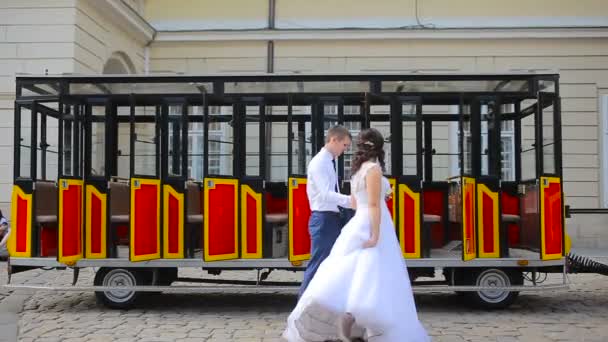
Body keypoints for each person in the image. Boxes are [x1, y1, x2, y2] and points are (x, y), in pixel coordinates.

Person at [283, 128, 430, 342]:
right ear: (380, 148)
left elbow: (359, 200)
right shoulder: (371, 170)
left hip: (356, 221)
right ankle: (355, 320)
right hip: (367, 221)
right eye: (343, 144)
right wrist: (377, 233)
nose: (345, 149)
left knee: (348, 271)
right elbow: (373, 205)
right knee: (374, 273)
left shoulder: (357, 170)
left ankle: (349, 319)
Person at [299, 125, 353, 298]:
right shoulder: (320, 163)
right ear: (334, 140)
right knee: (318, 263)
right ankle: (302, 306)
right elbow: (325, 193)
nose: (345, 150)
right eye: (344, 145)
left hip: (329, 218)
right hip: (324, 219)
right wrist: (349, 201)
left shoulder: (327, 161)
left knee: (326, 263)